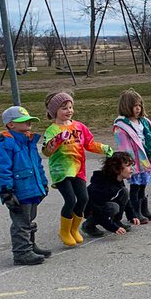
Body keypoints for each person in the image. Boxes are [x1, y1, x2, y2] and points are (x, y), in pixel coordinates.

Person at [42, 91, 112, 248]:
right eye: (64, 108)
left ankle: (74, 229)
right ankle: (64, 231)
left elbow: (89, 144)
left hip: (78, 169)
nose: (69, 111)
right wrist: (56, 141)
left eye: (70, 107)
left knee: (83, 199)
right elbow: (46, 151)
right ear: (54, 112)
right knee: (70, 200)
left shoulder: (79, 126)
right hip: (61, 171)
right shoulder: (52, 130)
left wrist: (103, 148)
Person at [0, 106, 50, 266]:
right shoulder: (5, 143)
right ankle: (21, 252)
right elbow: (3, 170)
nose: (29, 123)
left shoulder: (29, 141)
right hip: (19, 190)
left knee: (30, 218)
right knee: (21, 222)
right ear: (11, 124)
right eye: (24, 121)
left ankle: (30, 245)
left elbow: (37, 164)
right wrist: (7, 192)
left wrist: (43, 183)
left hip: (32, 187)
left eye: (29, 120)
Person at [113, 89, 151, 220]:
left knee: (143, 185)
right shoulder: (121, 126)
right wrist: (129, 163)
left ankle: (143, 209)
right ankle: (135, 212)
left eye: (140, 105)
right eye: (135, 106)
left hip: (144, 159)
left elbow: (150, 140)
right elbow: (124, 146)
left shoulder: (144, 122)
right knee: (135, 186)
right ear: (126, 107)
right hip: (134, 161)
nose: (138, 108)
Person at [84, 151, 136, 237]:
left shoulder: (117, 179)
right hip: (90, 210)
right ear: (117, 169)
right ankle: (89, 225)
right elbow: (97, 210)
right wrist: (112, 228)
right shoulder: (103, 187)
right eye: (128, 166)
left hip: (99, 207)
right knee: (113, 207)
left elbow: (126, 200)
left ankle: (116, 221)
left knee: (124, 191)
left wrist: (131, 216)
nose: (132, 169)